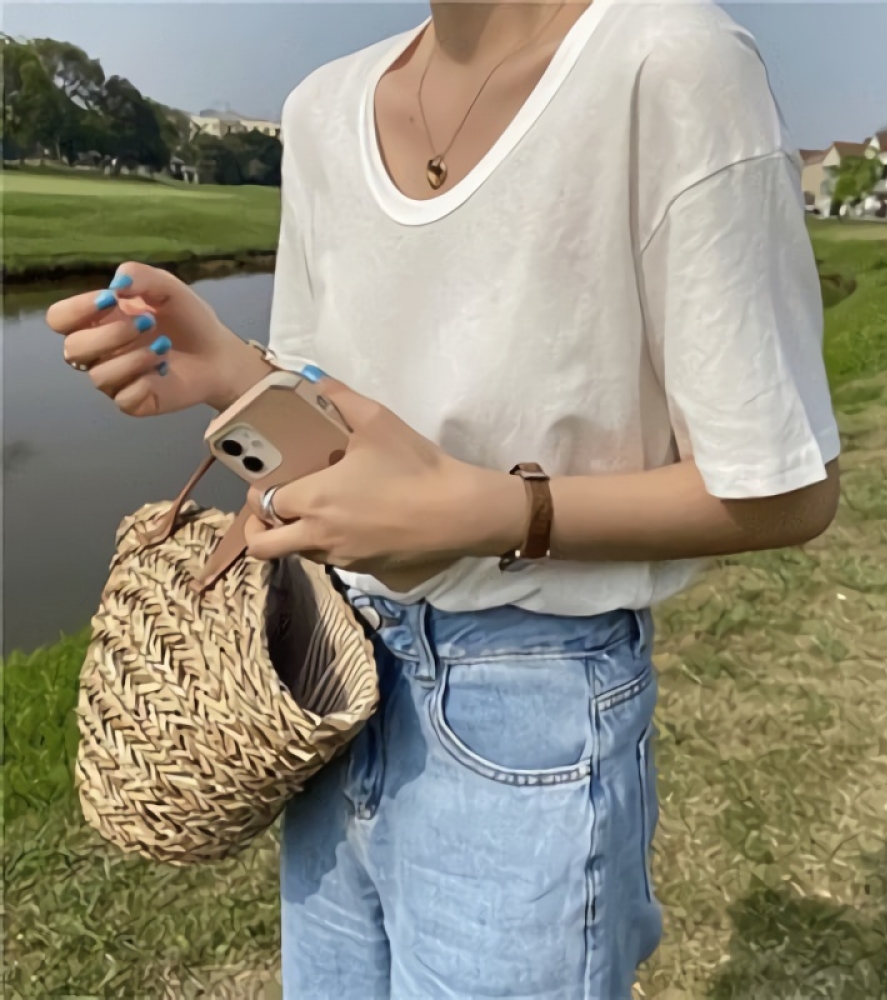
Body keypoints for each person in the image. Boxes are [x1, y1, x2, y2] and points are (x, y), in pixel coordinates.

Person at [46, 0, 842, 996]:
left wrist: (489, 512)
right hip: (329, 673)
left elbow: (787, 490)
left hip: (529, 699)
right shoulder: (325, 105)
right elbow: (331, 418)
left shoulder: (669, 62)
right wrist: (227, 369)